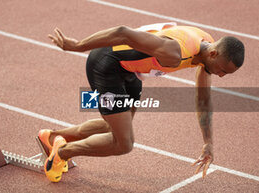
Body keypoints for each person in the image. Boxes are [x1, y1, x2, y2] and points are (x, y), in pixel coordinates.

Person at [40, 22, 245, 182]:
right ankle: (62, 152)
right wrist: (77, 46)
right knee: (123, 143)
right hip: (106, 66)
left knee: (115, 125)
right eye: (222, 70)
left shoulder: (206, 45)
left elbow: (203, 99)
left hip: (131, 71)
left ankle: (53, 137)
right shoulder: (175, 52)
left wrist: (208, 143)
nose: (221, 76)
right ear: (214, 53)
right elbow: (123, 33)